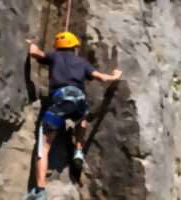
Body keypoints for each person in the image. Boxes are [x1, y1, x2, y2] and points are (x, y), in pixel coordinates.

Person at [24, 32, 122, 200]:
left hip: (61, 100)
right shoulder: (82, 62)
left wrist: (30, 44)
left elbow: (35, 52)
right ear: (75, 47)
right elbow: (102, 78)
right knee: (82, 117)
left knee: (43, 147)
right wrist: (115, 76)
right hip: (79, 99)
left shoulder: (53, 56)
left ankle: (40, 191)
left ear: (58, 46)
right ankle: (78, 151)